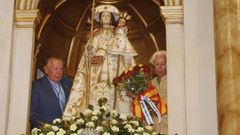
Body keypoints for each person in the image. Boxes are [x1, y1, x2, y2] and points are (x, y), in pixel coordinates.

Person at [63, 5, 137, 118]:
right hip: (97, 68)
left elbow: (122, 48)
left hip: (113, 67)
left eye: (108, 15)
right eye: (103, 16)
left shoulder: (116, 32)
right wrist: (90, 52)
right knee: (95, 94)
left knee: (114, 93)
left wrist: (120, 35)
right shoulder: (95, 33)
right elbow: (89, 50)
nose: (106, 17)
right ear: (100, 18)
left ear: (112, 18)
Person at [30, 56, 72, 128]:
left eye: (61, 69)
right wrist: (45, 127)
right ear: (46, 69)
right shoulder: (37, 86)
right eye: (56, 69)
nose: (59, 72)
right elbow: (31, 113)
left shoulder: (67, 83)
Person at [149, 50, 168, 134]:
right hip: (154, 127)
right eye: (157, 64)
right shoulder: (151, 83)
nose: (159, 68)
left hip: (168, 125)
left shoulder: (173, 80)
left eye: (163, 64)